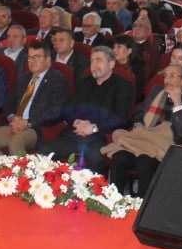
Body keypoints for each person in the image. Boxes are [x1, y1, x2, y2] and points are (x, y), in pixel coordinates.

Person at [102, 63, 182, 197]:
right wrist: (138, 123)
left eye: (173, 76)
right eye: (165, 76)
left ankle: (142, 204)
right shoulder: (157, 91)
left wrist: (178, 104)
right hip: (141, 139)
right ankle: (114, 201)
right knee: (119, 157)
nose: (167, 80)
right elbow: (140, 111)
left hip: (162, 147)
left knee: (144, 161)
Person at [37, 46, 133, 174]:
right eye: (92, 61)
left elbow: (121, 119)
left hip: (100, 137)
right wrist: (75, 121)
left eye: (98, 60)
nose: (94, 64)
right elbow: (68, 108)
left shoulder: (123, 85)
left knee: (95, 158)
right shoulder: (84, 82)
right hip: (75, 133)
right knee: (44, 151)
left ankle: (92, 193)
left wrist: (93, 128)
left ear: (111, 64)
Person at [0, 40, 69, 155]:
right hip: (15, 124)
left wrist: (28, 123)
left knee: (16, 141)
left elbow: (55, 111)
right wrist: (12, 117)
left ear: (48, 60)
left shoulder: (57, 79)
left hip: (35, 128)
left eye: (37, 57)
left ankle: (21, 171)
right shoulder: (23, 78)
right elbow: (8, 102)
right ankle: (3, 168)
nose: (32, 61)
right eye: (30, 57)